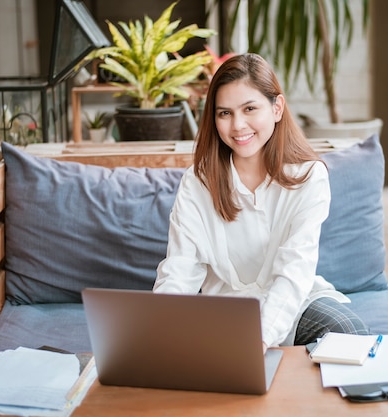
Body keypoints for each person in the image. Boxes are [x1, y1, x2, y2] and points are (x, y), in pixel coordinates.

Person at [153, 53, 368, 350]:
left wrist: (260, 339)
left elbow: (295, 271)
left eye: (250, 108)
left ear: (277, 108)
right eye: (224, 113)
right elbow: (179, 269)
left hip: (293, 307)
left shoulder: (309, 176)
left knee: (349, 332)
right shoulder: (198, 181)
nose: (238, 125)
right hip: (224, 312)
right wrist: (158, 327)